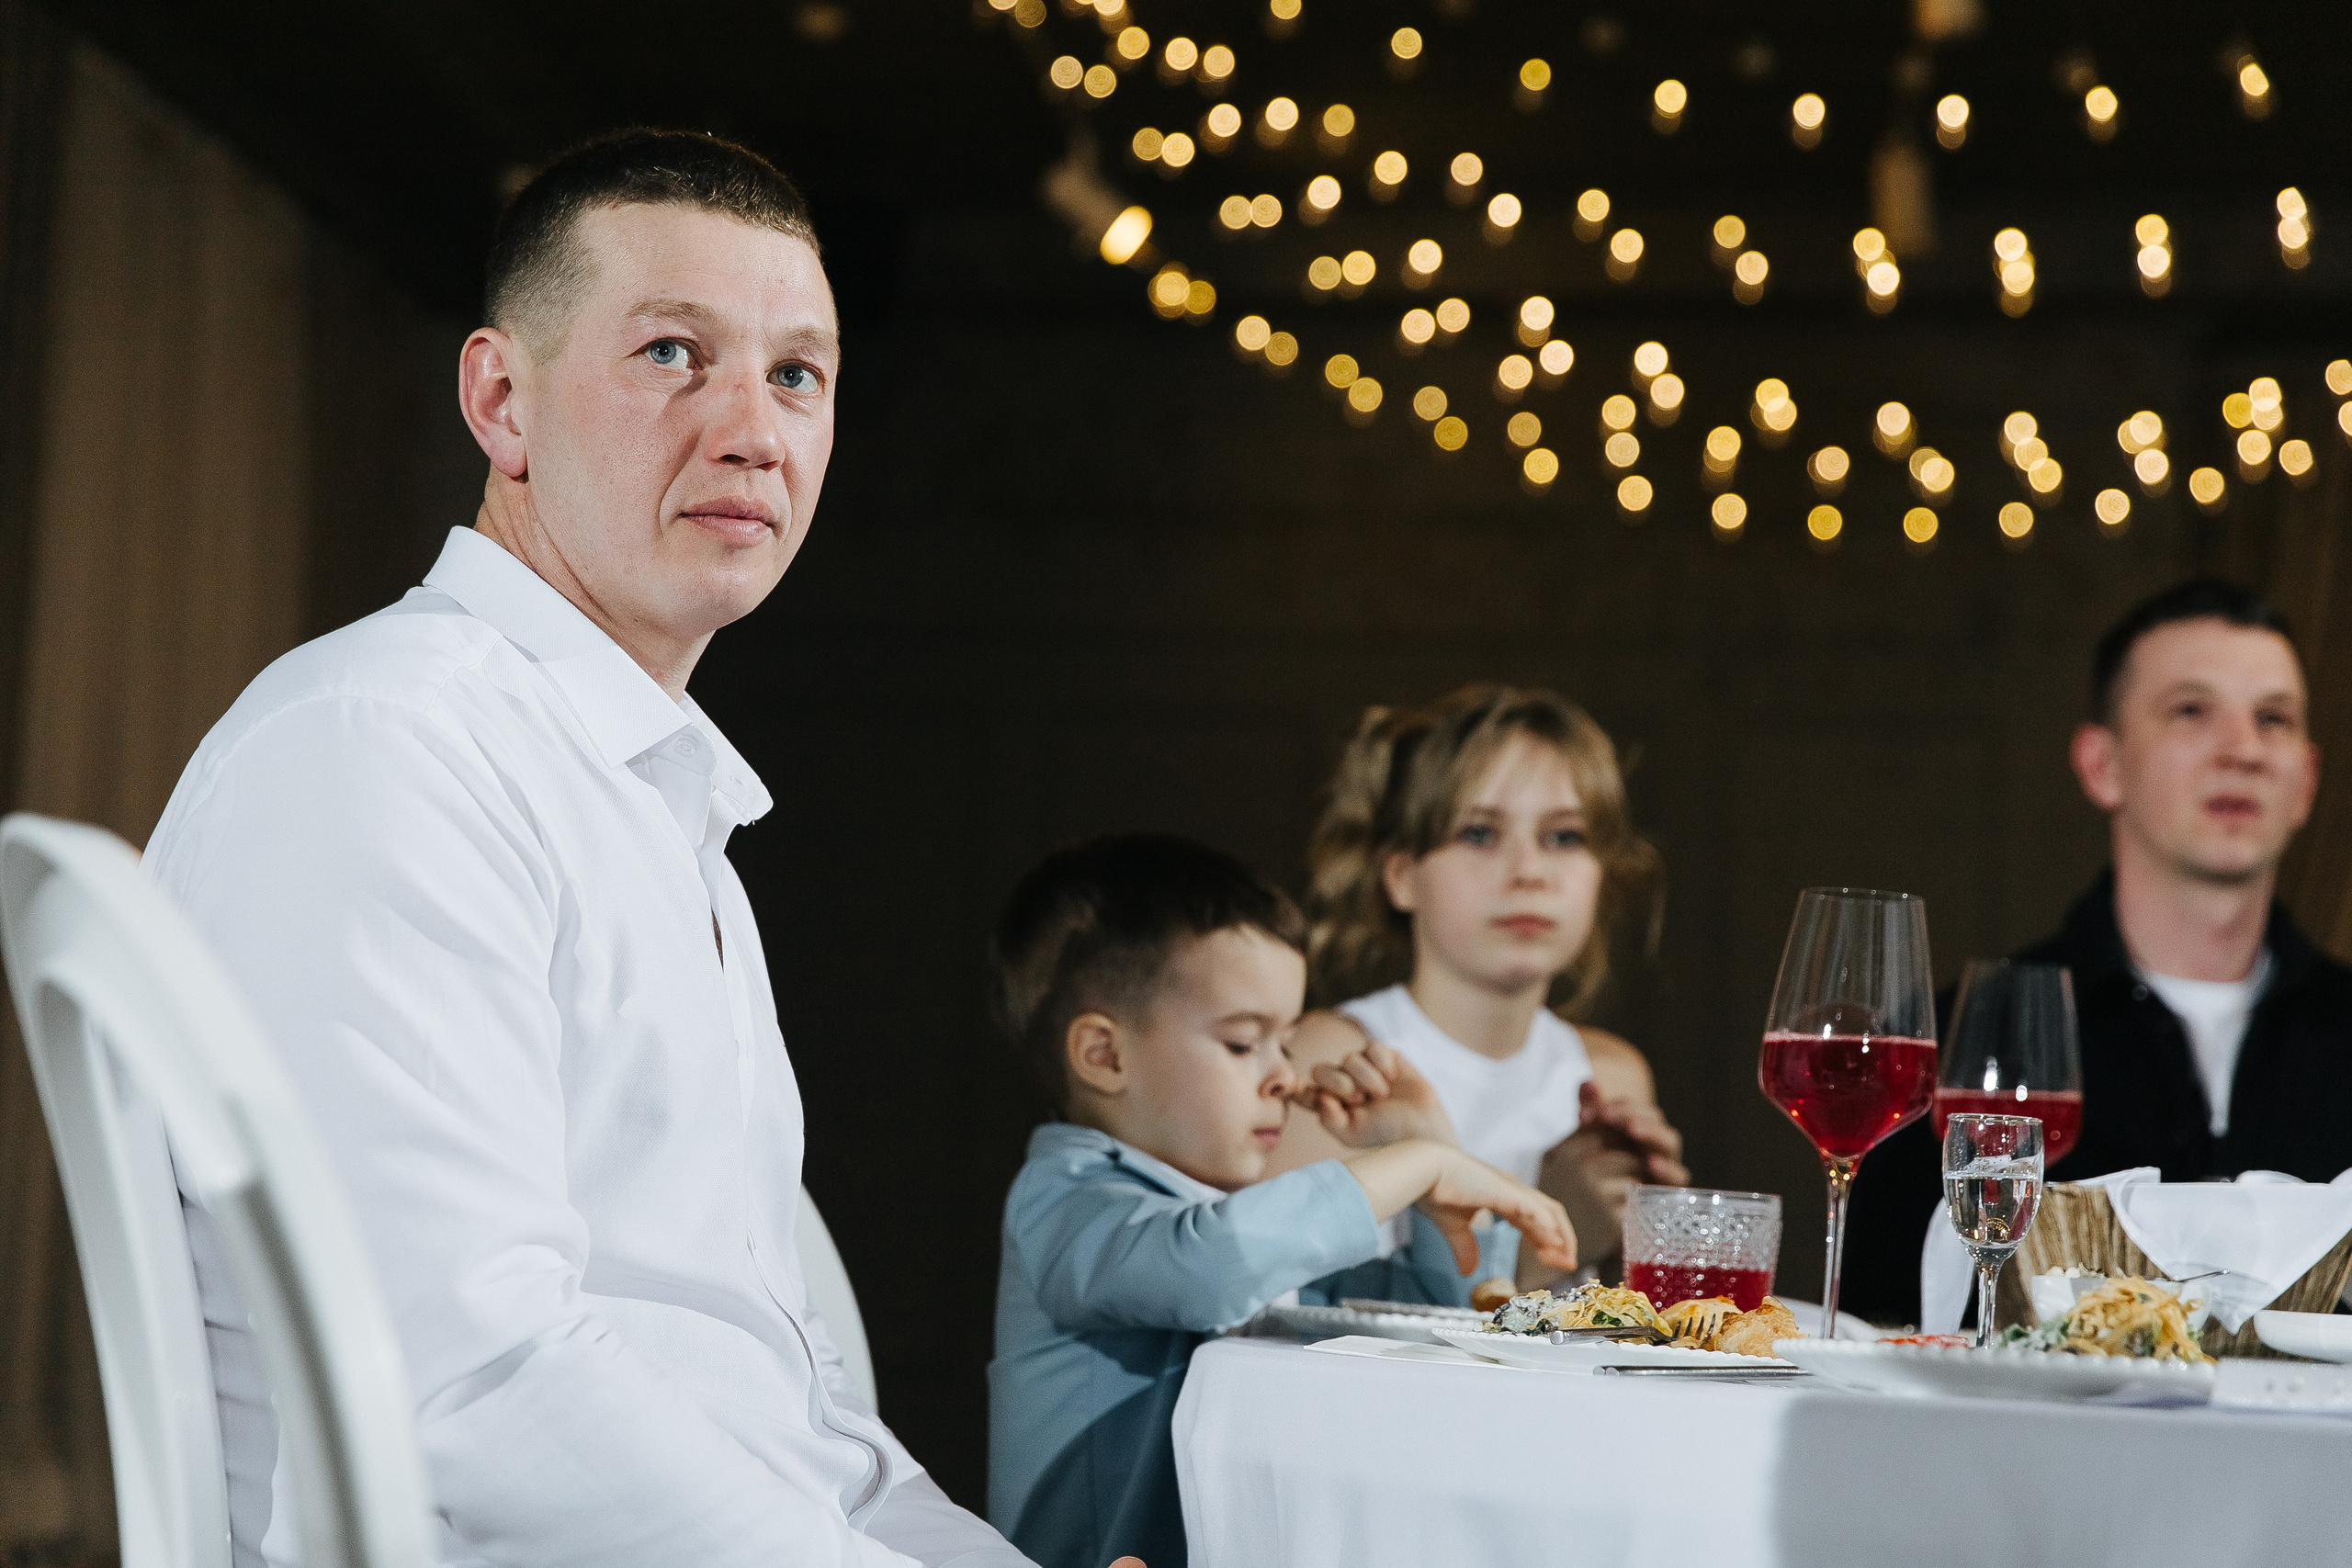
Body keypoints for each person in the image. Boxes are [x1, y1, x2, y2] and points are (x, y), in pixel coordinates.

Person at [147, 130, 1101, 1568]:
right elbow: (474, 1379)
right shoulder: (387, 742)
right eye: (671, 353)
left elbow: (799, 1421)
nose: (755, 431)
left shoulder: (659, 803)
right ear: (501, 400)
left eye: (798, 374)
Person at [986, 833, 1576, 1568]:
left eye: (1288, 1042)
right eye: (1243, 1043)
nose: (1286, 1079)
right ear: (1106, 1056)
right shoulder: (1063, 1197)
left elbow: (1439, 1338)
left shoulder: (1251, 1227)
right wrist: (1418, 1165)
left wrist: (1431, 1152)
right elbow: (1205, 1268)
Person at [1842, 577, 2352, 1327]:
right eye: (2191, 710)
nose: (2243, 750)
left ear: (2306, 781)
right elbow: (1882, 1331)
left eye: (2272, 718)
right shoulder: (1958, 1044)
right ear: (2101, 764)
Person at [1263, 685, 1687, 1290]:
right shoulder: (1336, 1061)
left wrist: (1642, 1249)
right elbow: (1285, 1320)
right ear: (1401, 875)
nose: (1529, 872)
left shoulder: (1610, 1073)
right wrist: (1546, 1242)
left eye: (1564, 837)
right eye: (1480, 834)